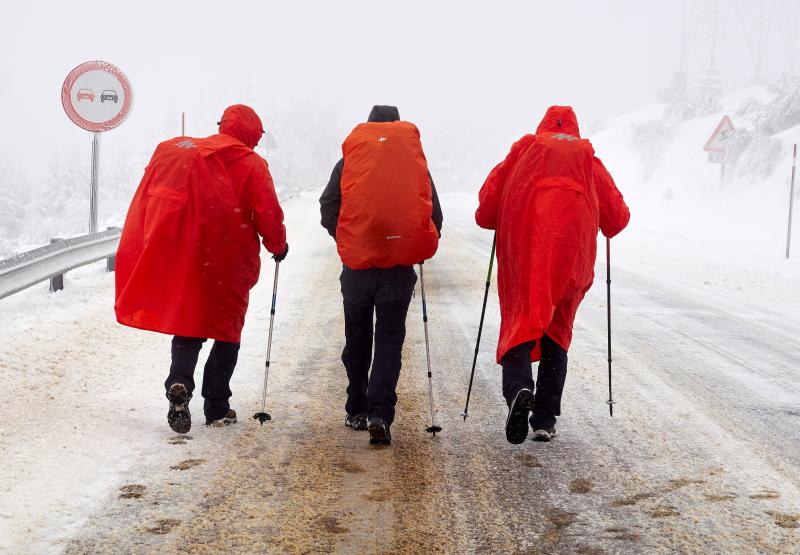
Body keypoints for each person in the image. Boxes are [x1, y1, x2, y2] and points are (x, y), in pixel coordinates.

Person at [115, 104, 288, 434]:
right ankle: (217, 406)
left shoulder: (192, 153)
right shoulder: (252, 164)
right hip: (229, 260)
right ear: (252, 133)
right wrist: (278, 246)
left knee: (190, 323)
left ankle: (180, 382)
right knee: (227, 331)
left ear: (223, 125)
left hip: (190, 256)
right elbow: (267, 212)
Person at [475, 105, 630, 444]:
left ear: (542, 126)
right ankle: (544, 418)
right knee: (557, 332)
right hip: (572, 260)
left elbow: (485, 212)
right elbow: (617, 220)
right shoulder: (588, 159)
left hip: (525, 257)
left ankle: (519, 389)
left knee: (521, 323)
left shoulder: (523, 152)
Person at [320, 105, 443, 446]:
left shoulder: (349, 161)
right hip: (397, 273)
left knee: (357, 342)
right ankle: (379, 413)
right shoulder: (414, 164)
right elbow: (434, 213)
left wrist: (348, 238)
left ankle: (356, 408)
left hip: (357, 270)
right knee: (389, 342)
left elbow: (328, 205)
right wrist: (413, 244)